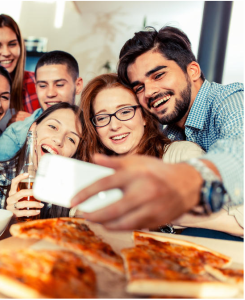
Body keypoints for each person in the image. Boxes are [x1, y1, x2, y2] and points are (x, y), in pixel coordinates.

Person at [71, 26, 244, 233]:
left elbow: (239, 153)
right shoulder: (171, 133)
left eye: (158, 75)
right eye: (139, 87)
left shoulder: (230, 100)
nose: (150, 92)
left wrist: (182, 183)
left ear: (193, 71)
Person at [0, 102, 84, 219]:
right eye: (52, 126)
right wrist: (9, 222)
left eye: (72, 139)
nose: (58, 140)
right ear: (32, 129)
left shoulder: (74, 202)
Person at [0, 50, 83, 161]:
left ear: (78, 85)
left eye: (59, 85)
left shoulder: (93, 131)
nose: (50, 93)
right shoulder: (15, 136)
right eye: (42, 85)